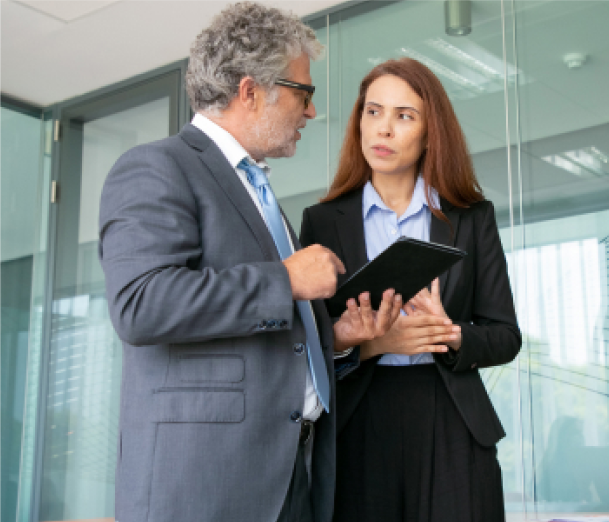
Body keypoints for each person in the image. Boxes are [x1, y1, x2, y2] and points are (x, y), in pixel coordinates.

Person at [98, 3, 405, 521]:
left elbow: (262, 340)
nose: (311, 111)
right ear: (250, 91)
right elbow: (140, 304)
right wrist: (285, 278)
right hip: (207, 487)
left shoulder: (256, 188)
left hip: (291, 475)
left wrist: (337, 340)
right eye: (303, 93)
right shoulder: (156, 167)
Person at [300, 57, 522, 522]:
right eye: (373, 111)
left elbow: (505, 334)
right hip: (361, 419)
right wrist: (374, 343)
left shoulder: (469, 216)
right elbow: (308, 347)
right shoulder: (322, 222)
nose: (383, 129)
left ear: (428, 133)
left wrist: (452, 334)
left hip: (452, 417)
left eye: (404, 116)